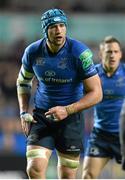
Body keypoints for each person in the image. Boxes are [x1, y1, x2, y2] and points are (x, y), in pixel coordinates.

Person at [16, 8, 102, 179]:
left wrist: (67, 110)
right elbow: (23, 82)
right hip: (42, 116)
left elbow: (97, 93)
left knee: (67, 176)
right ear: (45, 30)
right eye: (53, 26)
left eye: (62, 25)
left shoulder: (79, 53)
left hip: (71, 118)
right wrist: (24, 111)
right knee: (34, 168)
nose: (59, 30)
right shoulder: (32, 52)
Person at [82, 36, 125, 179]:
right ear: (101, 54)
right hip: (101, 135)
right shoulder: (92, 75)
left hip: (123, 136)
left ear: (120, 54)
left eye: (115, 51)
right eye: (108, 52)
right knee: (87, 176)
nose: (112, 55)